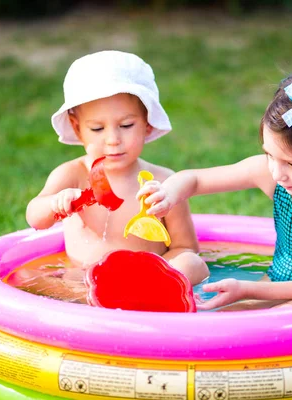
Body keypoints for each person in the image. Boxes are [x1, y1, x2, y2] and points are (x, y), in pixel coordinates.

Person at [138, 69, 292, 310]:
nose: (277, 172)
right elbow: (196, 180)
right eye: (270, 155)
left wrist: (244, 289)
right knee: (219, 320)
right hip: (278, 284)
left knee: (283, 318)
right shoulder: (274, 174)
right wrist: (168, 193)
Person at [26, 51, 209, 290]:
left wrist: (155, 275)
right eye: (97, 128)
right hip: (86, 284)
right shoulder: (73, 175)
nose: (113, 139)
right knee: (31, 278)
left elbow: (186, 247)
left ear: (147, 123)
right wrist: (55, 204)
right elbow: (34, 218)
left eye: (126, 125)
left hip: (147, 283)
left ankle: (146, 294)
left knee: (192, 264)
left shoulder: (164, 183)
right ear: (77, 127)